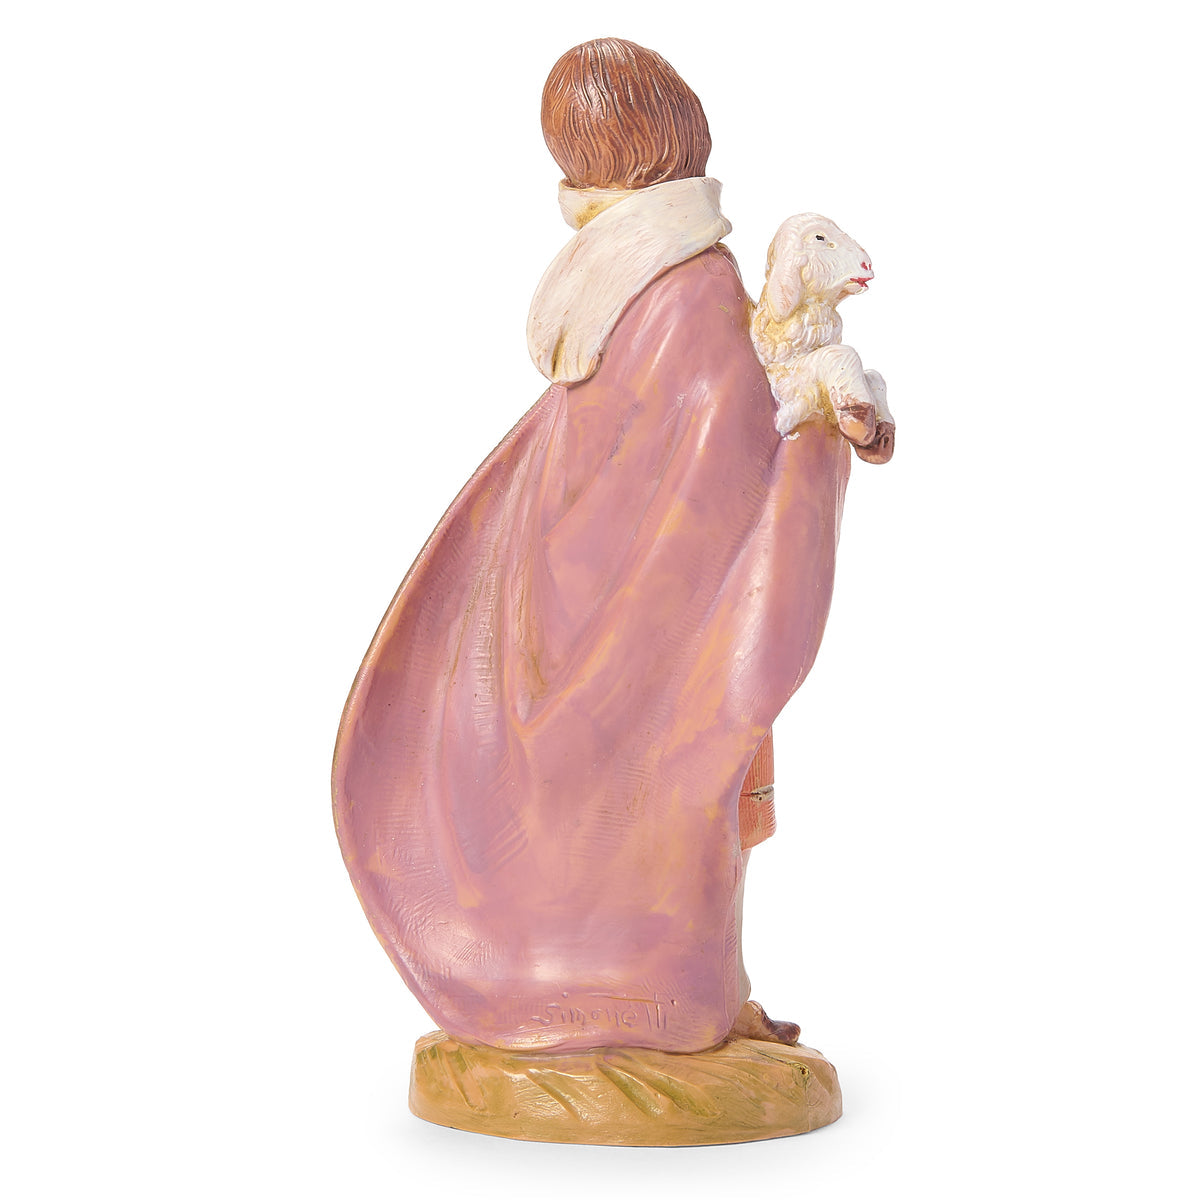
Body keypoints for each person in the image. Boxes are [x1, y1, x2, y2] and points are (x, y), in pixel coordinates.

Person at [333, 38, 853, 1054]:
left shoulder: (596, 281)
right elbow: (725, 452)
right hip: (657, 629)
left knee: (633, 803)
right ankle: (654, 1003)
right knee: (667, 798)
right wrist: (821, 435)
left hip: (572, 605)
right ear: (681, 135)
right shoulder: (691, 287)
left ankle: (677, 996)